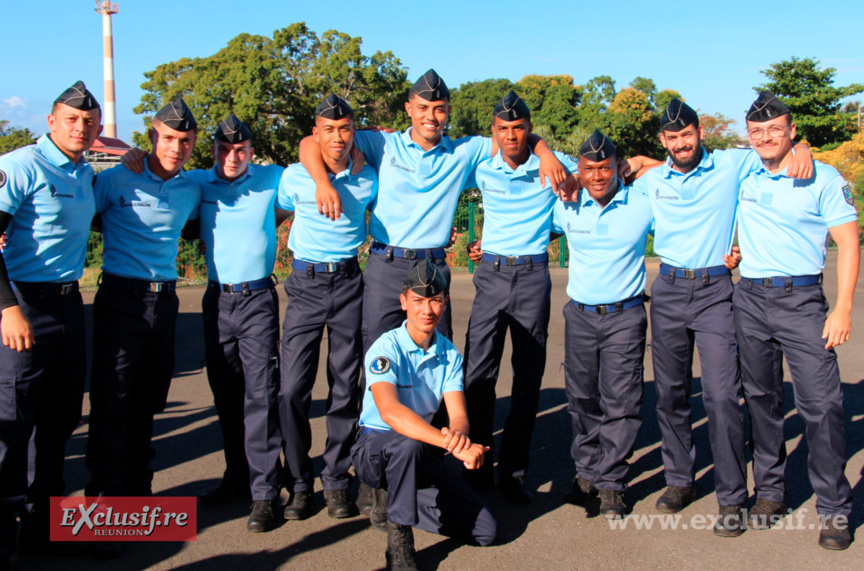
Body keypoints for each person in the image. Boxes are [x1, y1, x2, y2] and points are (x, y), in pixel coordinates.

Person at [630, 98, 812, 535]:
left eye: (687, 134)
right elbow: (605, 183)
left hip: (715, 290)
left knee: (722, 396)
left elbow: (777, 150)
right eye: (672, 138)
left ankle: (732, 496)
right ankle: (679, 480)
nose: (681, 143)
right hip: (669, 287)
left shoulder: (733, 165)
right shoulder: (650, 180)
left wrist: (803, 146)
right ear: (663, 141)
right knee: (671, 393)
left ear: (701, 132)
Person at [119, 113, 286, 531]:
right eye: (225, 150)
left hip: (257, 297)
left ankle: (266, 492)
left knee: (261, 396)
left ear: (252, 151)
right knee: (226, 394)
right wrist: (132, 157)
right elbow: (160, 176)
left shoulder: (273, 179)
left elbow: (310, 160)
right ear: (212, 151)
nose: (233, 157)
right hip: (216, 300)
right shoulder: (197, 183)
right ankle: (237, 478)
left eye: (241, 150)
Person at [734, 91, 858, 550]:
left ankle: (834, 510)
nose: (766, 138)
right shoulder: (745, 171)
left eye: (775, 130)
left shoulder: (822, 177)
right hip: (749, 297)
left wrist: (842, 306)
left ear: (791, 131)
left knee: (822, 406)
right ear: (750, 137)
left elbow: (848, 243)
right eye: (757, 132)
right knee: (762, 401)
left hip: (802, 300)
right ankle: (770, 493)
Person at [85, 98, 201, 535]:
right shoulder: (116, 178)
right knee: (112, 401)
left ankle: (138, 497)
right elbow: (80, 217)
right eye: (169, 138)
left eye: (185, 141)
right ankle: (102, 509)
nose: (177, 147)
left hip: (165, 301)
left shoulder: (192, 188)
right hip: (121, 297)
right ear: (153, 136)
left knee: (148, 400)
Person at [0, 82, 101, 566]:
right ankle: (3, 536)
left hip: (67, 303)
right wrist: (7, 308)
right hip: (22, 304)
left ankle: (45, 528)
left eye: (89, 122)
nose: (81, 128)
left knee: (59, 420)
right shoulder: (21, 166)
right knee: (14, 422)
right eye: (72, 120)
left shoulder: (85, 172)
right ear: (51, 121)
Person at [461, 91, 578, 503]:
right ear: (494, 132)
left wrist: (548, 154)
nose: (512, 135)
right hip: (490, 274)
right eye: (504, 129)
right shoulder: (481, 165)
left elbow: (601, 174)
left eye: (519, 128)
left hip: (532, 276)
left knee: (528, 379)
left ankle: (513, 472)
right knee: (479, 376)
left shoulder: (553, 163)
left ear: (530, 129)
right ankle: (474, 466)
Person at [352, 260, 496, 571]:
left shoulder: (449, 354)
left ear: (444, 302)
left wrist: (460, 438)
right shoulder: (385, 348)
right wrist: (453, 447)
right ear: (403, 302)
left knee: (485, 530)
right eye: (418, 300)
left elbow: (458, 416)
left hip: (419, 451)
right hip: (375, 447)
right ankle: (399, 539)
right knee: (408, 443)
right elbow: (390, 412)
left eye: (434, 300)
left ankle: (392, 500)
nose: (426, 309)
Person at [277, 94, 377, 521]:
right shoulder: (295, 176)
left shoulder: (368, 177)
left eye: (345, 129)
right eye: (329, 129)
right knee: (291, 389)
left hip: (349, 281)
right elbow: (276, 216)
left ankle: (336, 478)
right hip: (304, 283)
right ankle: (299, 482)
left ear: (353, 132)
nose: (338, 137)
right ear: (315, 133)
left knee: (344, 386)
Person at [552, 130, 655, 519]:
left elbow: (684, 191)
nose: (597, 176)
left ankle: (612, 481)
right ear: (578, 170)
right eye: (589, 169)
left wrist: (645, 160)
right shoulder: (565, 204)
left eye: (605, 167)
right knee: (581, 399)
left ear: (618, 167)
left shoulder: (643, 203)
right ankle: (587, 472)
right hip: (579, 314)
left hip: (624, 317)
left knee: (621, 399)